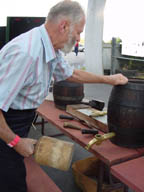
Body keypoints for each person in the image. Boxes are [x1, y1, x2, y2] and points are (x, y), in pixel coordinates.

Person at [0, 0, 128, 191]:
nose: (78, 38)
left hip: (20, 119)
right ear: (64, 26)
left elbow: (72, 74)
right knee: (11, 182)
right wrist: (15, 141)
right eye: (78, 32)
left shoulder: (50, 47)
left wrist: (110, 80)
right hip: (6, 122)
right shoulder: (26, 53)